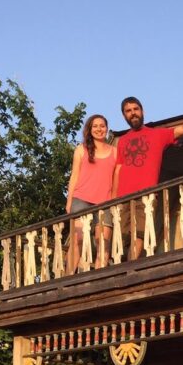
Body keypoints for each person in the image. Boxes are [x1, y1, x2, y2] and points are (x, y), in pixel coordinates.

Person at [116, 97, 183, 259]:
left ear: (142, 111)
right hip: (122, 198)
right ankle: (121, 270)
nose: (133, 113)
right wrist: (114, 198)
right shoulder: (121, 141)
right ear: (124, 116)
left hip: (145, 196)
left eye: (135, 109)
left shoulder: (157, 134)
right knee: (121, 239)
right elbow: (118, 169)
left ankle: (130, 269)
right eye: (128, 111)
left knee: (139, 235)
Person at [65, 114, 120, 273]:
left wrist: (114, 201)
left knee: (103, 242)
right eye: (95, 126)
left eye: (102, 126)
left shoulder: (115, 152)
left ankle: (100, 278)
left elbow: (116, 179)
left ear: (107, 128)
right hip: (81, 198)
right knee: (78, 240)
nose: (99, 129)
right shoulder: (81, 149)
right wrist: (69, 201)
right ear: (89, 129)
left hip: (105, 202)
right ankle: (67, 278)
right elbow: (74, 176)